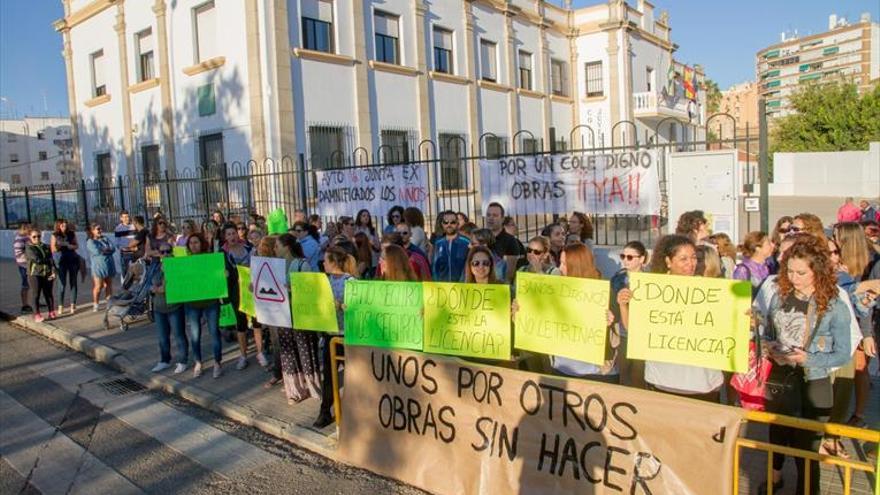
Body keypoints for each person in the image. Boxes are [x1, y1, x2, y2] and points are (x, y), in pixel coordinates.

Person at [755, 235, 854, 495]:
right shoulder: (779, 296)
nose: (794, 277)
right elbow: (771, 332)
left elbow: (843, 353)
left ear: (816, 271)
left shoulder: (835, 305)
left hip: (814, 381)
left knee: (807, 450)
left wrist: (808, 359)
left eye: (801, 272)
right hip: (780, 376)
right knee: (777, 435)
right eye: (790, 271)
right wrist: (768, 346)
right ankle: (774, 480)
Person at [618, 235, 724, 400]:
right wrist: (623, 305)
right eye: (683, 259)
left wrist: (746, 318)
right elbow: (634, 330)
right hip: (662, 381)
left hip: (703, 384)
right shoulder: (651, 290)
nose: (691, 263)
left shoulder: (710, 290)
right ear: (668, 261)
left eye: (694, 257)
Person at [551, 243, 619, 383]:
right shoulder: (554, 290)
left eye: (564, 264)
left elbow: (618, 334)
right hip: (561, 368)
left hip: (595, 372)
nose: (560, 268)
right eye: (560, 263)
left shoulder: (602, 293)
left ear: (577, 266)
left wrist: (610, 322)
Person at [832, 223, 877, 432]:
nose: (832, 240)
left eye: (835, 237)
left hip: (861, 323)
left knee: (859, 369)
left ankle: (858, 415)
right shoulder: (836, 262)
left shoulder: (869, 262)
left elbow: (869, 300)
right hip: (843, 323)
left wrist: (867, 334)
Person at [273, 234, 322, 404]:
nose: (274, 249)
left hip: (300, 313)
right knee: (287, 351)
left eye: (277, 246)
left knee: (304, 348)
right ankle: (294, 389)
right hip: (282, 314)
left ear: (287, 247)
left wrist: (294, 289)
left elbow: (311, 289)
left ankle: (312, 385)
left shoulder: (302, 264)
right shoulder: (275, 266)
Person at [314, 247, 356, 428]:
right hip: (330, 335)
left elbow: (357, 307)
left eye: (325, 260)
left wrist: (343, 306)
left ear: (333, 262)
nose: (323, 263)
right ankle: (325, 411)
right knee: (329, 377)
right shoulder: (325, 281)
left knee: (352, 377)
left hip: (346, 336)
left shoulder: (351, 281)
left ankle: (352, 413)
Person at [220, 223, 262, 370]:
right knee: (241, 323)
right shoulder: (222, 254)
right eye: (229, 234)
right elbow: (218, 275)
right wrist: (224, 274)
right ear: (225, 237)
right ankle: (243, 356)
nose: (232, 236)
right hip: (235, 292)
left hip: (251, 289)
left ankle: (260, 353)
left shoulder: (249, 248)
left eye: (234, 233)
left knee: (257, 321)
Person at [183, 233, 224, 379]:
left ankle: (218, 362)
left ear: (202, 244)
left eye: (196, 242)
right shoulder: (184, 262)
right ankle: (198, 362)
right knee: (195, 334)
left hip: (210, 302)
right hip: (193, 304)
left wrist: (222, 275)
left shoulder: (210, 259)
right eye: (191, 243)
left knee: (214, 332)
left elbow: (217, 276)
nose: (193, 245)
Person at [610, 241, 647, 387]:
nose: (625, 260)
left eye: (630, 257)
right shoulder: (617, 277)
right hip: (622, 333)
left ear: (642, 259)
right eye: (623, 256)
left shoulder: (650, 280)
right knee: (623, 375)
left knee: (639, 376)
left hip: (642, 335)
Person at [149, 245, 188, 374]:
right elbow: (152, 284)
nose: (165, 253)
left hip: (174, 307)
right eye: (162, 251)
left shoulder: (176, 266)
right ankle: (164, 360)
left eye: (168, 251)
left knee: (179, 335)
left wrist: (158, 288)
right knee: (162, 337)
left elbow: (166, 287)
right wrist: (157, 288)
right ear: (159, 254)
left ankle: (183, 361)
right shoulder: (156, 267)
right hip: (159, 307)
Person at [486, 203, 524, 280]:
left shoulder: (510, 241)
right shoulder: (481, 238)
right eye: (488, 215)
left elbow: (510, 273)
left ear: (502, 219)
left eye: (495, 215)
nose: (491, 218)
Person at [26, 229, 56, 322]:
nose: (37, 238)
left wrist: (53, 271)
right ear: (30, 237)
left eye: (38, 236)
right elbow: (36, 259)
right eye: (34, 236)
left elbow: (52, 260)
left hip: (47, 273)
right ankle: (37, 315)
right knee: (36, 294)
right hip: (35, 274)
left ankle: (51, 312)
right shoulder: (29, 247)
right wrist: (47, 260)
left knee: (49, 293)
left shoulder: (45, 246)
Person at [432, 210, 470, 282]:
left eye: (453, 222)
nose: (449, 225)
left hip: (462, 288)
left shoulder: (466, 242)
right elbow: (434, 268)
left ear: (457, 224)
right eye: (446, 222)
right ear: (442, 224)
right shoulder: (438, 244)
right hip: (442, 288)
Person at [51, 218, 79, 314]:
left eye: (66, 225)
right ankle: (60, 305)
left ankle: (73, 305)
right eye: (62, 225)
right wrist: (63, 245)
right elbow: (53, 249)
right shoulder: (55, 235)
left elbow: (76, 245)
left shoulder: (71, 233)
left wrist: (71, 246)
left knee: (73, 283)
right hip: (60, 261)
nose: (64, 227)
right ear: (58, 226)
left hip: (72, 260)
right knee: (62, 284)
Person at [86, 223, 116, 312]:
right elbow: (97, 251)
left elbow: (113, 248)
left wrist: (105, 250)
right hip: (99, 267)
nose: (100, 231)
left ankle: (109, 304)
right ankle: (96, 304)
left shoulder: (105, 238)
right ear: (92, 231)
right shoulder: (90, 241)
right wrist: (106, 250)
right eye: (97, 229)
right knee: (98, 286)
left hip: (109, 265)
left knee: (109, 285)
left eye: (100, 229)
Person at [13, 224, 33, 314]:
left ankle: (33, 302)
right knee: (25, 285)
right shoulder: (19, 239)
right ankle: (25, 305)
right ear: (24, 229)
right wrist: (30, 257)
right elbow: (19, 254)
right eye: (29, 228)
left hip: (30, 264)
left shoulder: (26, 237)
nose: (30, 230)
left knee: (32, 284)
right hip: (24, 265)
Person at [114, 211, 137, 278]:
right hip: (125, 253)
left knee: (136, 270)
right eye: (124, 217)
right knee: (125, 270)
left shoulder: (134, 226)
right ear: (121, 218)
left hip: (135, 252)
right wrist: (123, 248)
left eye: (127, 216)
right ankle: (125, 284)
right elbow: (117, 242)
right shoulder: (118, 229)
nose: (126, 218)